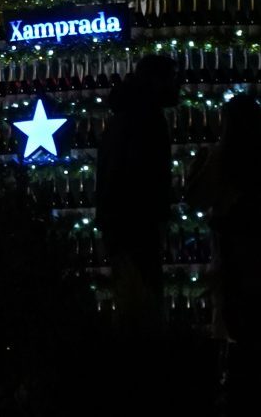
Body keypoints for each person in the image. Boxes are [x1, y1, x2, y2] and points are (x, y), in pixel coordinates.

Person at [186, 92, 261, 350]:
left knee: (229, 311)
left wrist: (195, 171)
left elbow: (198, 200)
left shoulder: (220, 158)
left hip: (230, 246)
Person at [95, 53, 180, 337]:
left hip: (120, 223)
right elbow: (141, 174)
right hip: (136, 224)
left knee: (130, 297)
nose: (176, 85)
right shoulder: (146, 121)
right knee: (142, 300)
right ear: (156, 81)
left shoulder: (123, 117)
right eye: (171, 79)